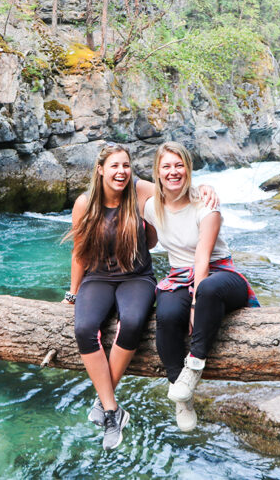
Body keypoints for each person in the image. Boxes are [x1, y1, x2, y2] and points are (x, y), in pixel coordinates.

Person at [64, 142, 219, 450]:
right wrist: (72, 294)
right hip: (97, 277)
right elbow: (79, 252)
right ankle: (112, 410)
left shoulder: (140, 191)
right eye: (114, 166)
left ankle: (103, 403)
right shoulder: (85, 203)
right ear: (100, 170)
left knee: (132, 322)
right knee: (84, 329)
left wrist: (205, 186)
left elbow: (173, 186)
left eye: (126, 166)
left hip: (137, 276)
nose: (121, 172)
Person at [141, 141, 260, 432]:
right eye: (166, 166)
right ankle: (181, 397)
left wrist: (195, 305)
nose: (173, 172)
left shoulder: (205, 205)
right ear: (157, 172)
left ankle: (194, 367)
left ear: (188, 169)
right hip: (180, 275)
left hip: (220, 275)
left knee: (206, 291)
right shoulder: (150, 205)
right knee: (167, 316)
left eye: (179, 165)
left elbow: (202, 260)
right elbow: (115, 178)